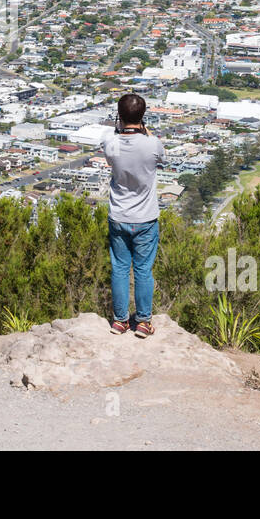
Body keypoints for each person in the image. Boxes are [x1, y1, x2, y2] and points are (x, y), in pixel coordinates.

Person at [101, 92, 165, 338]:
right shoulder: (152, 143)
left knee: (119, 268)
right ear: (143, 116)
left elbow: (110, 149)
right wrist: (144, 130)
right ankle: (144, 322)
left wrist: (121, 128)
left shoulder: (111, 142)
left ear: (119, 116)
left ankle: (120, 321)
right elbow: (161, 158)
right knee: (143, 270)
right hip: (146, 217)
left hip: (118, 214)